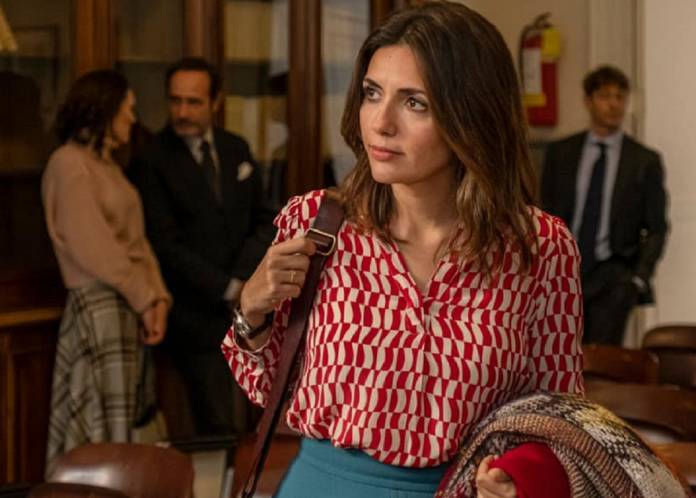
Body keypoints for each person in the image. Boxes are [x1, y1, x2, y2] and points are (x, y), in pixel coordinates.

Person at [222, 3, 583, 497]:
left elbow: (558, 416)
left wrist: (520, 479)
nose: (381, 122)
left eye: (415, 103)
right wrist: (251, 310)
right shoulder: (318, 225)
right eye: (372, 93)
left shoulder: (540, 247)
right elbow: (266, 387)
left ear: (471, 115)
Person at [129, 57, 275, 437]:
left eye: (193, 102)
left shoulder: (235, 148)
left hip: (251, 310)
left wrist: (243, 281)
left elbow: (264, 221)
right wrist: (226, 288)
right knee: (218, 427)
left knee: (264, 422)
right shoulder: (151, 159)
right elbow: (164, 244)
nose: (182, 112)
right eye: (175, 100)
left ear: (215, 101)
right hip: (194, 317)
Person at [42, 70, 171, 472]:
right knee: (98, 424)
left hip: (126, 305)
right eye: (127, 109)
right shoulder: (68, 163)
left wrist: (158, 298)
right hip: (99, 307)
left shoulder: (108, 166)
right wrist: (144, 297)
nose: (133, 118)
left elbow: (137, 242)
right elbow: (92, 246)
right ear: (104, 109)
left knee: (128, 420)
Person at [541, 65, 669, 345]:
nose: (613, 104)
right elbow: (543, 211)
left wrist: (639, 277)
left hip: (614, 273)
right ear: (589, 101)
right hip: (564, 270)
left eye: (620, 97)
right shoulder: (561, 153)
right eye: (605, 96)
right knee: (559, 350)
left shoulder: (643, 161)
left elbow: (657, 226)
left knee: (603, 358)